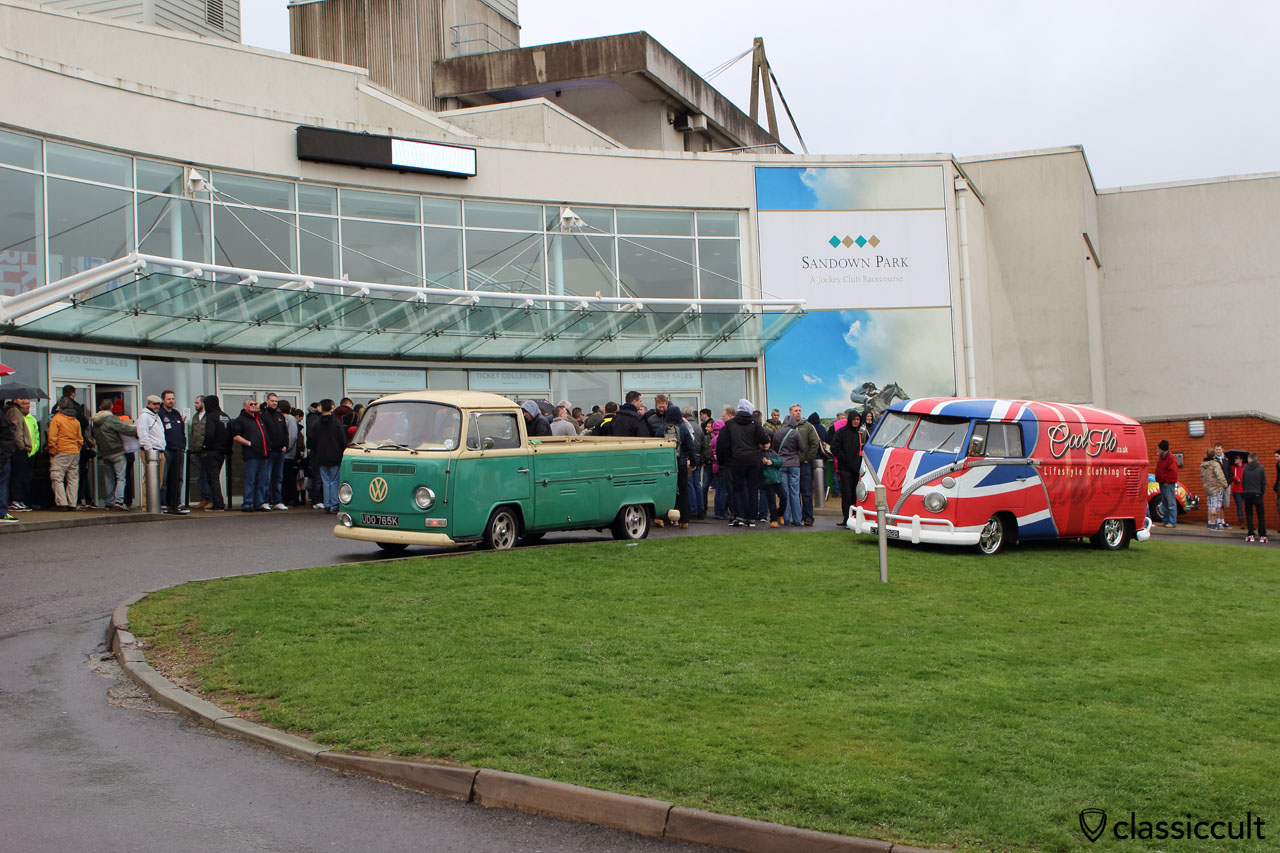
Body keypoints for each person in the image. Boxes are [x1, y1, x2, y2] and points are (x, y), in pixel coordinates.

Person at [717, 398, 770, 528]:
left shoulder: (730, 424)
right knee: (753, 489)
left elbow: (722, 444)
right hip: (753, 460)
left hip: (736, 460)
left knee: (737, 489)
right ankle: (751, 518)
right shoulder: (754, 423)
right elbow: (764, 439)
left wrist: (722, 462)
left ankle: (739, 516)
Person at [91, 400, 137, 510]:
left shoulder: (95, 422)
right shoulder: (111, 419)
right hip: (117, 452)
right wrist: (138, 429)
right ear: (111, 407)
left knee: (109, 479)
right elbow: (125, 429)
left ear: (100, 407)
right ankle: (119, 501)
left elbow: (94, 435)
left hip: (104, 453)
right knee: (121, 478)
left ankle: (108, 502)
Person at [308, 398, 348, 513]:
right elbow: (342, 440)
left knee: (326, 481)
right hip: (335, 455)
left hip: (321, 456)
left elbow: (312, 440)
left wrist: (316, 452)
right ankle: (334, 504)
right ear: (332, 407)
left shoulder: (316, 424)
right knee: (334, 481)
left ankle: (327, 503)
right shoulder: (337, 423)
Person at [230, 397, 269, 512]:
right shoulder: (241, 420)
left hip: (263, 454)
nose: (253, 406)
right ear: (245, 406)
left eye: (255, 404)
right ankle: (247, 503)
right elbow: (236, 436)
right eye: (251, 404)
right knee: (250, 480)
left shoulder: (259, 419)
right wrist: (249, 443)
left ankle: (259, 503)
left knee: (262, 480)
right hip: (251, 455)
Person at [772, 408, 809, 527]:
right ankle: (798, 520)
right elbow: (802, 448)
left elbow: (774, 448)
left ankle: (786, 519)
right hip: (794, 464)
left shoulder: (777, 432)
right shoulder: (795, 433)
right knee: (795, 492)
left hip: (781, 464)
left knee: (785, 493)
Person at [49, 396, 85, 511]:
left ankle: (62, 503)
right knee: (73, 478)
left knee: (57, 477)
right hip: (74, 452)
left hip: (61, 451)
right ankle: (72, 503)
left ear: (59, 407)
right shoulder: (75, 421)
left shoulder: (56, 419)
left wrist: (53, 451)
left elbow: (52, 438)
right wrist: (77, 449)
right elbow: (80, 439)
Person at [664, 404, 696, 529]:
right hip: (681, 463)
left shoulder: (662, 428)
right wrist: (693, 462)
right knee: (683, 491)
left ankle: (662, 518)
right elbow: (690, 446)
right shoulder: (683, 428)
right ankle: (684, 520)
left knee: (666, 491)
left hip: (666, 464)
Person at [158, 390, 189, 514]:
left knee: (178, 479)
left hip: (178, 450)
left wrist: (183, 445)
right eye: (168, 399)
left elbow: (182, 431)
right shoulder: (160, 414)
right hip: (166, 450)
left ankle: (175, 503)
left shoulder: (176, 413)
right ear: (163, 400)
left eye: (172, 399)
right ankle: (163, 503)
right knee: (164, 479)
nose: (171, 401)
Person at [831, 410, 863, 526]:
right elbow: (834, 447)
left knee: (855, 495)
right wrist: (844, 458)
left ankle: (854, 517)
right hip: (845, 468)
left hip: (857, 469)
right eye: (854, 419)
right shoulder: (841, 432)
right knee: (847, 494)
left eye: (858, 420)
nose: (856, 422)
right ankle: (846, 518)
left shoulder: (860, 434)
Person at [5, 397, 36, 512]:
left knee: (21, 476)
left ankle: (18, 500)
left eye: (27, 402)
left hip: (25, 449)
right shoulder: (14, 411)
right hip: (18, 449)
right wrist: (22, 447)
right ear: (15, 400)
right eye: (22, 400)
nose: (25, 403)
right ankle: (15, 500)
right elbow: (17, 433)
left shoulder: (20, 413)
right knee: (17, 476)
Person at [135, 394, 165, 512]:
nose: (157, 406)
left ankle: (154, 504)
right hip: (151, 451)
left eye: (158, 404)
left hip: (160, 450)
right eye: (154, 404)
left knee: (158, 480)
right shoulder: (144, 416)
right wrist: (150, 450)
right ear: (148, 404)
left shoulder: (156, 416)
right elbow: (143, 434)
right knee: (149, 479)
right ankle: (147, 505)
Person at [260, 392, 289, 510]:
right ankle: (265, 501)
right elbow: (263, 433)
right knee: (266, 478)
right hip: (269, 451)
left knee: (278, 477)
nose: (274, 403)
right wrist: (268, 446)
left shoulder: (280, 416)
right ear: (267, 401)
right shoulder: (262, 415)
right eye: (272, 401)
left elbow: (285, 432)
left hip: (280, 451)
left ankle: (277, 501)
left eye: (276, 401)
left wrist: (286, 445)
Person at [201, 395, 230, 511]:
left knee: (212, 478)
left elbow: (210, 434)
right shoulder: (225, 416)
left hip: (212, 451)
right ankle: (219, 502)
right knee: (215, 476)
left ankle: (218, 503)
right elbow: (230, 433)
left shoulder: (211, 417)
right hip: (223, 451)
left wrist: (205, 447)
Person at [187, 395, 211, 509]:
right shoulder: (195, 417)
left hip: (206, 451)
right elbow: (192, 434)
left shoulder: (209, 416)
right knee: (201, 476)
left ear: (203, 403)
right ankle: (203, 499)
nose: (195, 405)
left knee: (208, 476)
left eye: (197, 403)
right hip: (196, 451)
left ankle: (210, 499)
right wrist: (191, 449)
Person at [1199, 448, 1229, 530]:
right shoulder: (1215, 464)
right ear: (1214, 455)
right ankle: (1213, 523)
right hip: (1216, 487)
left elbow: (1202, 476)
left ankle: (1210, 522)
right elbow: (1220, 476)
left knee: (1210, 505)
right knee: (1215, 506)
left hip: (1207, 488)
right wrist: (1225, 485)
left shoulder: (1203, 465)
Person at [1241, 452, 1268, 543]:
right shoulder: (1261, 468)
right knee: (1261, 515)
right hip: (1258, 493)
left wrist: (1245, 490)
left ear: (1250, 459)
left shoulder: (1245, 468)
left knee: (1249, 514)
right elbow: (1263, 482)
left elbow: (1243, 482)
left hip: (1248, 493)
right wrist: (1262, 492)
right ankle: (1262, 535)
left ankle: (1251, 533)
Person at [280, 400, 300, 507]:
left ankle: (291, 498)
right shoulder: (284, 419)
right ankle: (286, 498)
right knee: (285, 478)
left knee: (289, 478)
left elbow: (292, 436)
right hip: (284, 455)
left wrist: (287, 448)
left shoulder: (290, 419)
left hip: (288, 455)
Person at [1154, 439, 1179, 528]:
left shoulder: (1171, 458)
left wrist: (1167, 481)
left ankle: (1172, 522)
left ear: (1163, 449)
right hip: (1162, 482)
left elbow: (1173, 472)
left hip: (1168, 484)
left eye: (1159, 448)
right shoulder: (1162, 457)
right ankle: (1166, 521)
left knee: (1170, 503)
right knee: (1165, 503)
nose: (1157, 450)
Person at [0, 398, 15, 523]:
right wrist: (13, 426)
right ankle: (1, 512)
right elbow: (7, 437)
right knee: (2, 484)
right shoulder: (3, 418)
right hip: (2, 457)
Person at [1230, 453, 1246, 527]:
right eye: (1235, 458)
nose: (1235, 460)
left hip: (1245, 489)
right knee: (1239, 506)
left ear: (1241, 460)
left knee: (1247, 506)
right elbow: (1231, 475)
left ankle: (1249, 522)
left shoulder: (1245, 467)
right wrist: (1235, 478)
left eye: (1237, 458)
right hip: (1236, 490)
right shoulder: (1233, 467)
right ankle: (1242, 523)